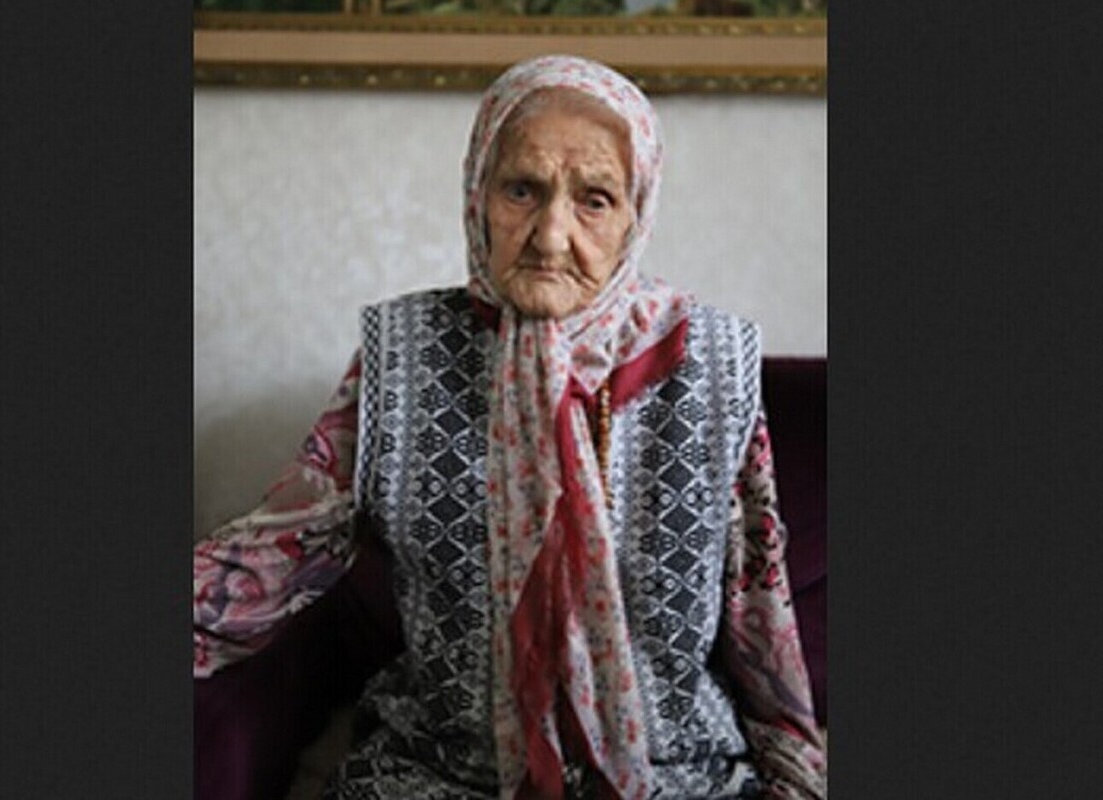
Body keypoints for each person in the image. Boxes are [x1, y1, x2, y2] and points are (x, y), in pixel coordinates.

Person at [194, 55, 827, 799]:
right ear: (478, 193)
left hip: (673, 777)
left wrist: (790, 764)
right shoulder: (405, 356)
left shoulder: (712, 364)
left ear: (637, 215)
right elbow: (277, 553)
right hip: (448, 771)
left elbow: (757, 601)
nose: (551, 236)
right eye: (522, 189)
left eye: (594, 199)